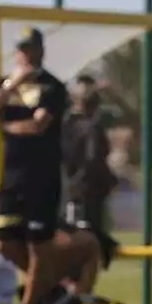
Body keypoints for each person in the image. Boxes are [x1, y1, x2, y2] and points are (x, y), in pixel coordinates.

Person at [0, 26, 69, 304]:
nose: (25, 54)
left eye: (30, 48)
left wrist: (7, 128)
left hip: (42, 177)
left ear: (41, 51)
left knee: (38, 244)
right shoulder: (6, 85)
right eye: (21, 49)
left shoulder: (52, 87)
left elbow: (38, 126)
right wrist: (10, 87)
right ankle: (50, 289)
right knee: (5, 241)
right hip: (12, 176)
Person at [62, 75, 117, 237]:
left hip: (74, 187)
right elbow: (92, 159)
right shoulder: (87, 127)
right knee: (88, 234)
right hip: (86, 188)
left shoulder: (67, 123)